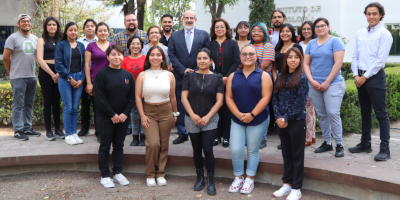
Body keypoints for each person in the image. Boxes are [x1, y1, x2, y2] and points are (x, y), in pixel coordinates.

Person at [349, 2, 393, 161]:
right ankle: (365, 144)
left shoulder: (385, 34)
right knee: (365, 113)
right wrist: (355, 75)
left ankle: (385, 149)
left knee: (381, 114)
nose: (371, 16)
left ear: (381, 15)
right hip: (360, 77)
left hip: (374, 78)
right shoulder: (360, 33)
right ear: (366, 15)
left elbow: (380, 61)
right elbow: (355, 57)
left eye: (375, 13)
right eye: (369, 14)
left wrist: (364, 77)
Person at [226, 44, 272, 194]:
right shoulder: (234, 76)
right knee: (236, 149)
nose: (247, 56)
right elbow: (228, 97)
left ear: (256, 56)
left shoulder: (264, 75)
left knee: (252, 149)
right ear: (240, 57)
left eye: (251, 54)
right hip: (237, 118)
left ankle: (250, 178)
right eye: (244, 54)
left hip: (258, 118)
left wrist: (252, 114)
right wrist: (239, 114)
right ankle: (238, 177)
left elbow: (266, 97)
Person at [181, 48, 224, 196]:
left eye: (205, 58)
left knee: (207, 149)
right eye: (199, 58)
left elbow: (219, 101)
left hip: (210, 119)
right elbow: (184, 98)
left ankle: (211, 180)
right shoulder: (189, 76)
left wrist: (207, 117)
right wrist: (192, 115)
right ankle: (200, 178)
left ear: (210, 60)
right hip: (191, 118)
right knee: (196, 149)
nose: (202, 61)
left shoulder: (217, 78)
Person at [136, 46, 178, 187]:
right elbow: (137, 97)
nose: (155, 57)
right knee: (153, 143)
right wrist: (142, 115)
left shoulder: (169, 75)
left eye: (158, 55)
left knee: (164, 143)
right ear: (148, 57)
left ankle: (160, 173)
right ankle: (150, 174)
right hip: (149, 111)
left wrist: (175, 113)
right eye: (152, 55)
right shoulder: (142, 75)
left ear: (162, 58)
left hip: (166, 110)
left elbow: (173, 97)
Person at [303, 18, 346, 157]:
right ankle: (327, 142)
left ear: (328, 27)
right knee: (321, 114)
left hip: (333, 84)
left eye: (323, 26)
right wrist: (311, 80)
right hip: (314, 85)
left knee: (333, 113)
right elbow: (306, 64)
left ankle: (339, 144)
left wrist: (327, 82)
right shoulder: (311, 43)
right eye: (317, 26)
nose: (320, 28)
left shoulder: (335, 41)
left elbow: (338, 63)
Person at [95, 44, 135, 188]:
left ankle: (117, 172)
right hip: (106, 117)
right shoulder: (101, 74)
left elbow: (131, 97)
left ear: (123, 56)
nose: (116, 57)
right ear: (108, 57)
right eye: (113, 54)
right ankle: (105, 175)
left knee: (119, 145)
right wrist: (112, 114)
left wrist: (125, 114)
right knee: (105, 146)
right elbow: (99, 98)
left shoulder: (128, 75)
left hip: (123, 118)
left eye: (119, 54)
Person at [168, 10, 210, 144]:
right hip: (180, 76)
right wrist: (183, 70)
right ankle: (182, 132)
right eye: (187, 18)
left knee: (198, 103)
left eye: (192, 18)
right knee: (180, 104)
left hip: (200, 76)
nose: (189, 20)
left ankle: (199, 131)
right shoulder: (174, 36)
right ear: (182, 19)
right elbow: (171, 55)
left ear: (195, 20)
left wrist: (197, 70)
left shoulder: (203, 35)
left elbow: (207, 54)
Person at [272, 47, 308, 200]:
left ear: (300, 60)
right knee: (286, 154)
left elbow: (300, 103)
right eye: (290, 57)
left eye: (296, 57)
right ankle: (287, 183)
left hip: (296, 121)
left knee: (297, 155)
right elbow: (275, 98)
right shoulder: (280, 75)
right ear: (285, 60)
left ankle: (296, 188)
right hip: (281, 121)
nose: (293, 60)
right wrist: (278, 116)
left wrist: (286, 117)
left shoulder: (303, 78)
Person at [3, 14, 41, 141]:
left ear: (31, 23)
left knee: (28, 104)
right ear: (18, 24)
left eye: (28, 21)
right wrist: (11, 72)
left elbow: (37, 57)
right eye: (23, 21)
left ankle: (27, 128)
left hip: (31, 76)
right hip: (18, 76)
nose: (26, 23)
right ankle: (18, 130)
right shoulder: (12, 38)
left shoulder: (35, 38)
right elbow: (5, 57)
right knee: (18, 104)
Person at [205, 18, 240, 148]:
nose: (219, 29)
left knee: (226, 109)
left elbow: (236, 62)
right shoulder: (209, 45)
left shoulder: (232, 43)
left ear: (227, 29)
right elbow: (206, 62)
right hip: (213, 81)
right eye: (217, 27)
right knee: (215, 109)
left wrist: (226, 77)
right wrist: (216, 78)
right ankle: (216, 136)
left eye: (222, 26)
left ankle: (226, 137)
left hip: (229, 81)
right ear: (213, 30)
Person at [54, 22, 86, 145]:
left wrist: (82, 79)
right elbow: (58, 64)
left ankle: (74, 133)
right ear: (66, 32)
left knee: (75, 107)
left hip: (79, 78)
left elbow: (84, 65)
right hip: (65, 79)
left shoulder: (81, 46)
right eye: (71, 30)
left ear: (78, 32)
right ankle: (68, 134)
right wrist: (69, 78)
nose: (73, 32)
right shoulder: (61, 45)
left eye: (75, 30)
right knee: (68, 107)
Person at [83, 22, 114, 142]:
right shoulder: (90, 46)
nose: (103, 33)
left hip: (111, 81)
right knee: (98, 108)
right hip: (95, 80)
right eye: (100, 31)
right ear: (96, 33)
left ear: (108, 32)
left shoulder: (113, 46)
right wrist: (89, 82)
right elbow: (86, 64)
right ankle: (99, 132)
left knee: (111, 107)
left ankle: (110, 131)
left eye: (105, 30)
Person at [36, 17, 65, 141]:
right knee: (48, 101)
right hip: (46, 72)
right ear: (46, 27)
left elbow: (65, 56)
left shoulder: (62, 40)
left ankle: (58, 129)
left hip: (60, 71)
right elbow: (40, 59)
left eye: (54, 24)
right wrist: (52, 74)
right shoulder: (41, 40)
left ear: (57, 26)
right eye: (49, 24)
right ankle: (48, 131)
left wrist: (58, 72)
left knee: (56, 101)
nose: (52, 26)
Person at [249, 22, 275, 149]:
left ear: (264, 33)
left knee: (262, 108)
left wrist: (249, 71)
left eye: (259, 30)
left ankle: (262, 137)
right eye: (254, 30)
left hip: (263, 80)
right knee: (249, 107)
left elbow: (264, 65)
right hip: (247, 80)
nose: (256, 33)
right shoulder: (249, 46)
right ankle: (250, 136)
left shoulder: (267, 46)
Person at [121, 36, 146, 146]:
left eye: (138, 44)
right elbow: (122, 77)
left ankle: (143, 137)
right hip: (130, 92)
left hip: (145, 91)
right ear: (129, 46)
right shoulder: (125, 60)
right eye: (133, 44)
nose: (135, 46)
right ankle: (135, 137)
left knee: (144, 114)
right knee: (134, 115)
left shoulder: (146, 58)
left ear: (141, 46)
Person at [77, 19, 98, 137]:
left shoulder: (100, 41)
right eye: (87, 26)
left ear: (95, 29)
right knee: (84, 104)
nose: (90, 28)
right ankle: (84, 128)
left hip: (97, 76)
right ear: (84, 29)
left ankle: (98, 129)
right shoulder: (78, 42)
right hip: (83, 76)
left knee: (97, 104)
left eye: (92, 26)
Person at [299, 21, 317, 147]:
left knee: (309, 110)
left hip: (311, 79)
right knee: (303, 109)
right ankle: (306, 136)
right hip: (299, 80)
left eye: (309, 29)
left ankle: (309, 137)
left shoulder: (316, 43)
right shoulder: (298, 44)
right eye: (304, 29)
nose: (306, 31)